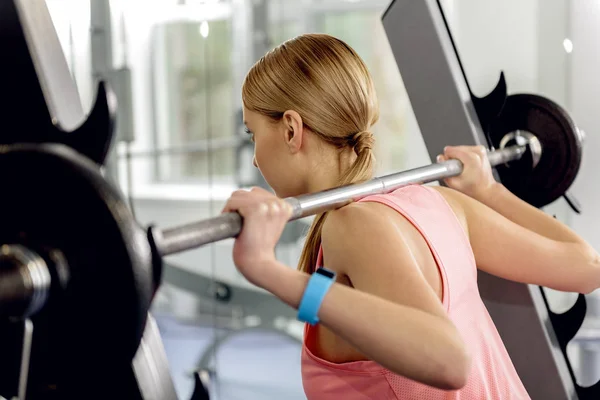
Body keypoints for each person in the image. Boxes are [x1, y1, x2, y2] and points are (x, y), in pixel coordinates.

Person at [221, 33, 600, 399]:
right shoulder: (438, 203)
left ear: (291, 130)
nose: (255, 157)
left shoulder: (352, 226)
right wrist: (489, 190)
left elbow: (450, 361)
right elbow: (587, 266)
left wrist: (266, 269)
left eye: (253, 134)